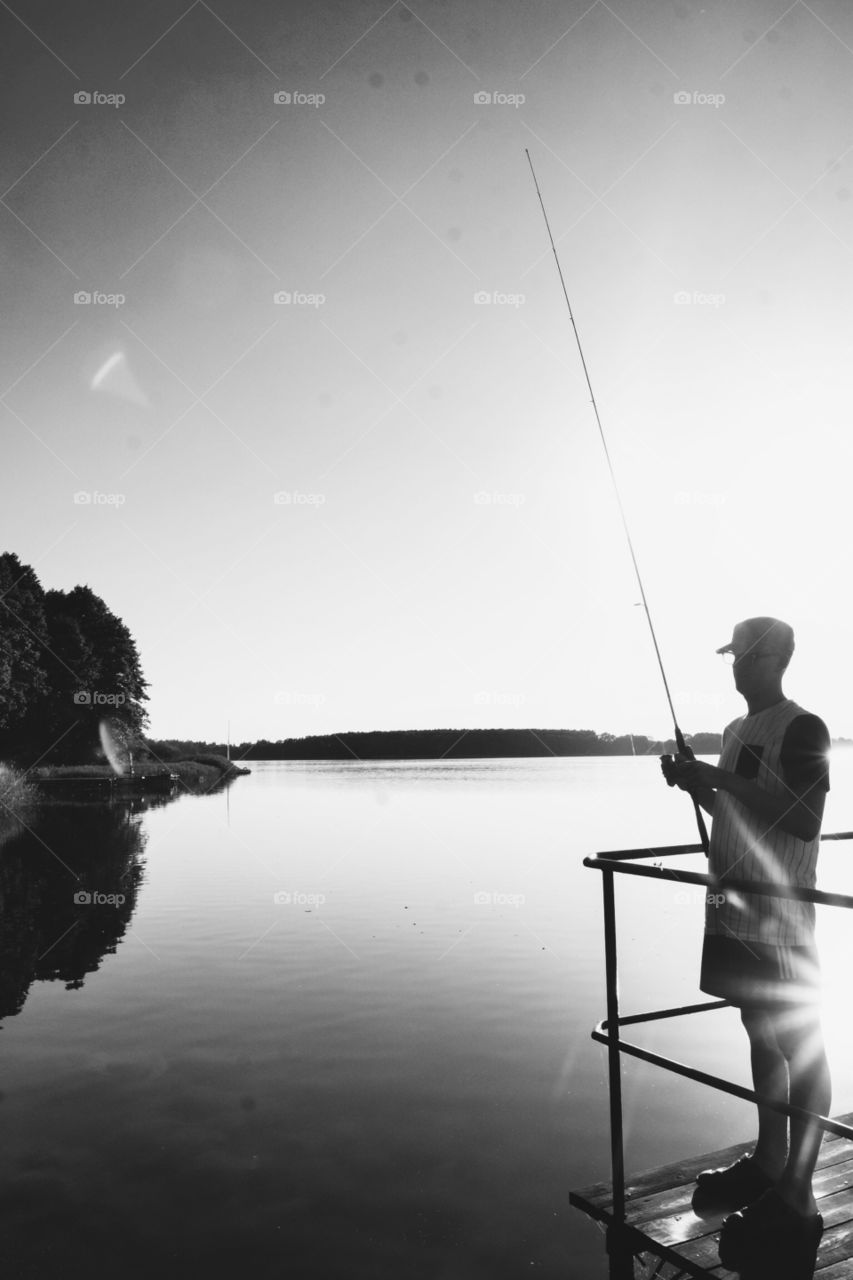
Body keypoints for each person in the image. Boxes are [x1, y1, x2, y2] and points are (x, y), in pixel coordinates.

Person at [661, 616, 831, 1275]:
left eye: (739, 655)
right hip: (729, 908)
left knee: (798, 1040)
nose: (731, 665)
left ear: (770, 658)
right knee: (757, 1028)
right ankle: (768, 1159)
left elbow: (805, 817)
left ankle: (799, 1197)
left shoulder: (802, 727)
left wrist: (721, 780)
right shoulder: (735, 733)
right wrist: (699, 787)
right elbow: (738, 814)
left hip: (779, 912)